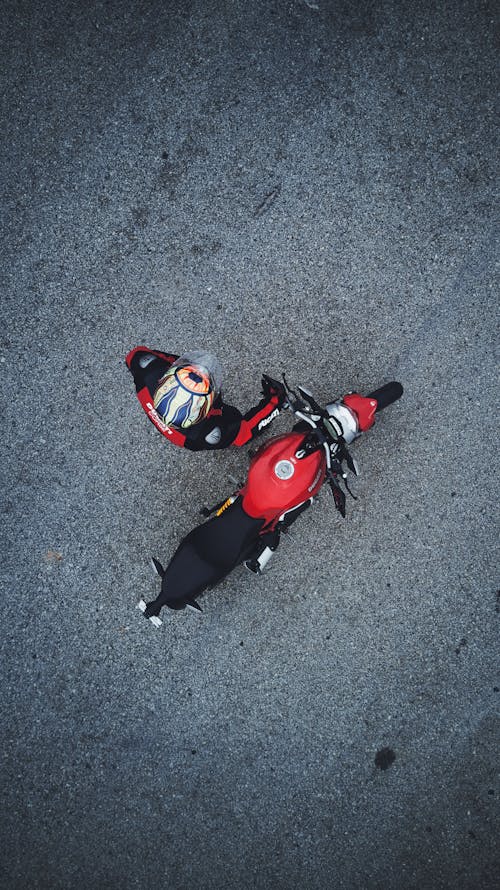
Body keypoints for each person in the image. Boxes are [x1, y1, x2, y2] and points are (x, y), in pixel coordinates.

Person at [125, 346, 286, 451]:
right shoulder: (205, 435)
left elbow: (133, 355)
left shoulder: (146, 374)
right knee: (238, 432)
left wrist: (183, 363)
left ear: (164, 381)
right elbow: (244, 432)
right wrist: (275, 401)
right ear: (202, 412)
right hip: (191, 436)